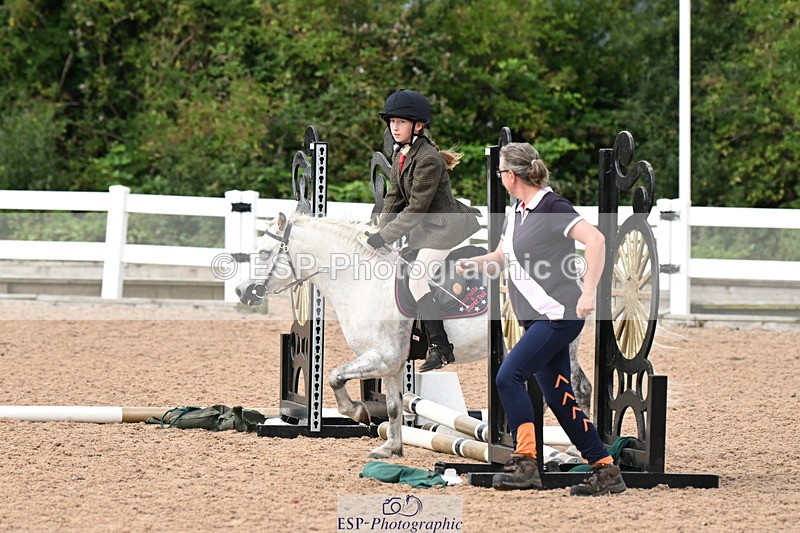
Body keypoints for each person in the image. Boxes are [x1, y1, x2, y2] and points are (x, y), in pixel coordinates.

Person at [455, 142, 626, 496]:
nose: (499, 177)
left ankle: (526, 462)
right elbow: (504, 256)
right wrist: (474, 263)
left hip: (558, 315)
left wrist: (590, 291)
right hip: (537, 318)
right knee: (560, 396)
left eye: (500, 171)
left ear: (512, 175)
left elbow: (595, 241)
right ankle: (606, 470)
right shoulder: (518, 212)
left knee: (509, 376)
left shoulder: (552, 206)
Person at [365, 89, 480, 372]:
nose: (394, 126)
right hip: (425, 230)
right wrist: (376, 228)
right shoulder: (401, 152)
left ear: (418, 125)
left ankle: (441, 348)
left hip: (443, 228)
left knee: (418, 279)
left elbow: (416, 208)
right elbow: (394, 198)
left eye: (401, 122)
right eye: (391, 121)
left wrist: (385, 237)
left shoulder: (428, 158)